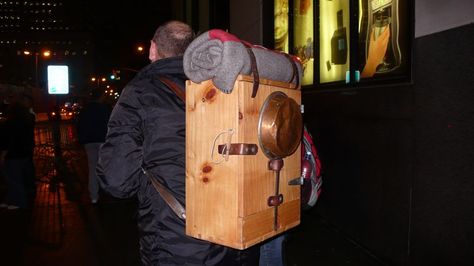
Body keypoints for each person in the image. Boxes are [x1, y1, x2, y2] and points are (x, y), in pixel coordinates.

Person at [97, 20, 259, 265]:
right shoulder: (222, 83)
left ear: (153, 49)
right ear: (191, 49)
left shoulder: (140, 92)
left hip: (174, 239)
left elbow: (117, 180)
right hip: (234, 234)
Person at [0, 92, 36, 210]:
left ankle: (19, 201)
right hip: (23, 153)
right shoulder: (26, 121)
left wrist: (3, 154)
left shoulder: (10, 124)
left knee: (13, 178)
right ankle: (11, 199)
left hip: (13, 155)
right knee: (17, 177)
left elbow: (7, 140)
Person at [76, 90, 111, 204]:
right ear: (100, 97)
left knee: (92, 168)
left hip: (89, 142)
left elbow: (79, 125)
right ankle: (106, 190)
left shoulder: (85, 110)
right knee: (104, 167)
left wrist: (82, 140)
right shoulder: (105, 110)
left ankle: (94, 196)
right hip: (102, 141)